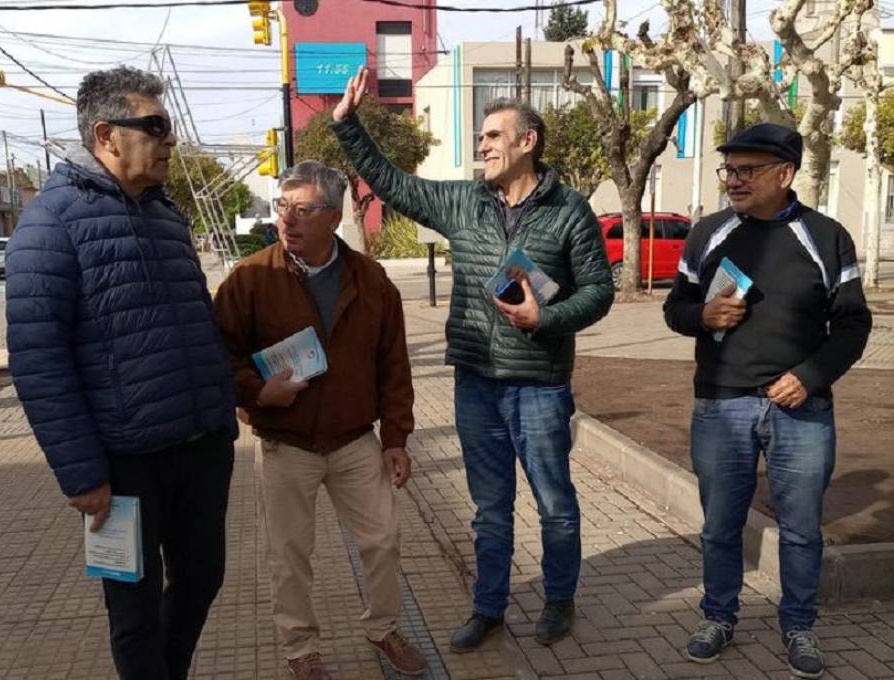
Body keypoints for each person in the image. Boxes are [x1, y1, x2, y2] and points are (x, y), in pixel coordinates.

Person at [331, 67, 615, 651]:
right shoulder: (463, 202)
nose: (481, 146)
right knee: (490, 510)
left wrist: (548, 318)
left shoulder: (570, 211)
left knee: (555, 503)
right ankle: (488, 607)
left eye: (492, 136)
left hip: (539, 384)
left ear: (527, 141)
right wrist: (348, 125)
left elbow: (598, 291)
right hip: (476, 384)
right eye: (481, 138)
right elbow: (393, 183)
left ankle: (559, 601)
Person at [5, 66, 237, 680]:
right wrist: (80, 473)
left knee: (203, 579)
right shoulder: (49, 224)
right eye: (156, 126)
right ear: (106, 134)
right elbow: (37, 357)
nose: (169, 141)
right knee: (132, 610)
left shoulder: (166, 213)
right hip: (123, 462)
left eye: (170, 128)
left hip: (201, 445)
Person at [664, 123, 872, 679]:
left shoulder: (826, 237)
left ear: (786, 174)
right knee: (719, 525)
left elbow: (853, 326)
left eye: (747, 170)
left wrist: (810, 375)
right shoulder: (707, 234)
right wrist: (701, 317)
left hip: (801, 409)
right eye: (728, 169)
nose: (733, 180)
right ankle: (718, 616)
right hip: (720, 405)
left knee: (802, 528)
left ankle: (799, 625)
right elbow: (675, 309)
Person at [214, 160, 426, 680]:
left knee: (382, 539)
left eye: (303, 209)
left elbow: (393, 365)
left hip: (356, 441)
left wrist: (395, 437)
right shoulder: (251, 278)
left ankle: (382, 628)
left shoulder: (371, 280)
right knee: (290, 556)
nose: (287, 219)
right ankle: (300, 650)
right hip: (286, 444)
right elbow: (219, 355)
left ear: (334, 217)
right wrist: (259, 392)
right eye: (283, 206)